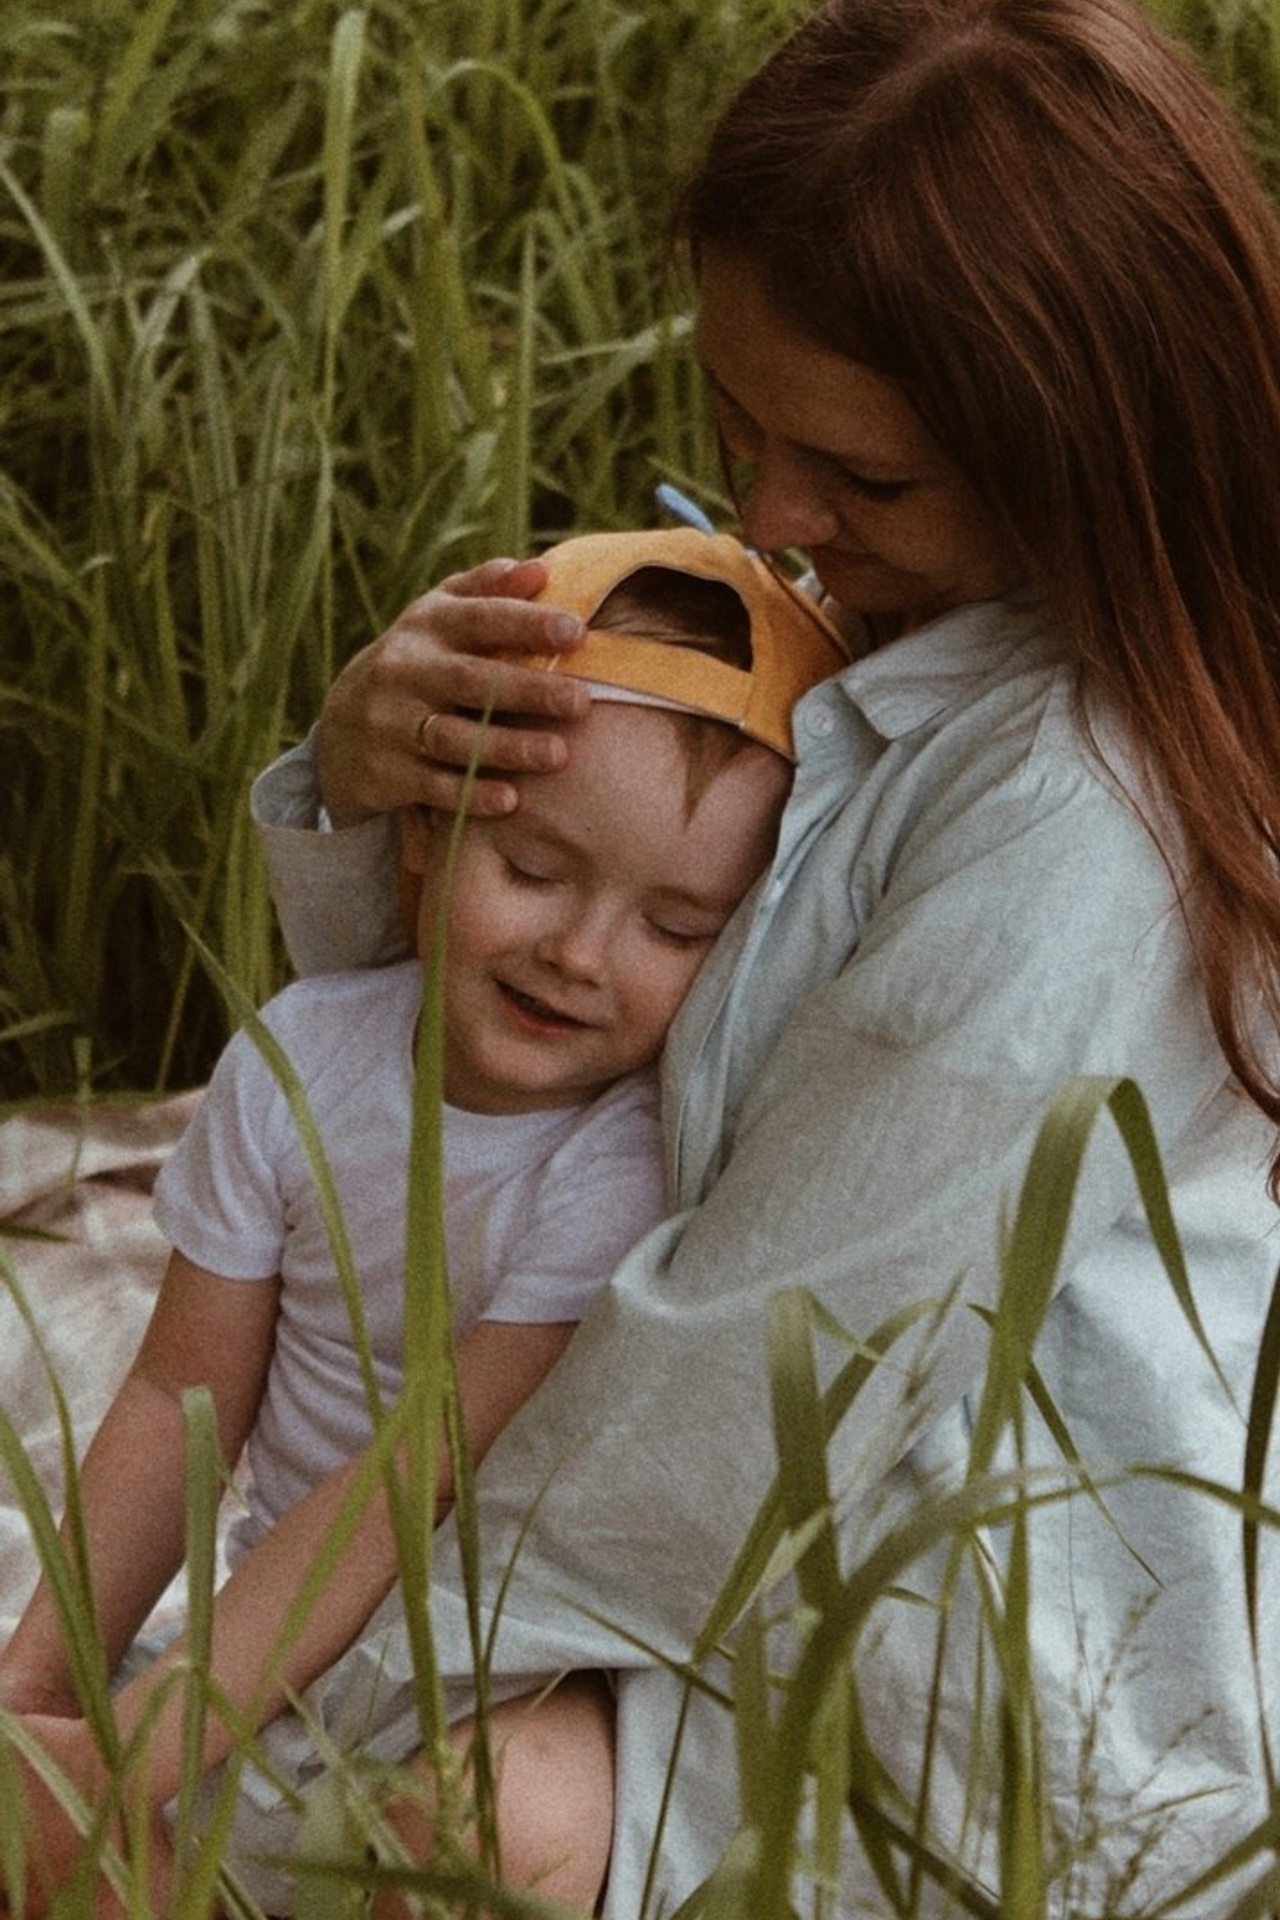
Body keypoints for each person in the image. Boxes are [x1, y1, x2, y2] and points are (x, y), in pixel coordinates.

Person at [226, 0, 1280, 1911]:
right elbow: (514, 1057)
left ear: (1081, 450)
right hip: (717, 1502)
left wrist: (256, 1733)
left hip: (950, 1635)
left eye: (863, 482)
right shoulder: (890, 628)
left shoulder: (1073, 818)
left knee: (403, 1846)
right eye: (739, 428)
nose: (772, 521)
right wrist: (383, 788)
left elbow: (747, 1370)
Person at [0, 529, 844, 1916]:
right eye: (536, 868)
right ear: (421, 834)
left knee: (498, 1838)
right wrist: (49, 1683)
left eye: (677, 926)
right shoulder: (297, 1063)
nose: (580, 953)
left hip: (506, 1662)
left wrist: (147, 1749)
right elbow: (175, 1390)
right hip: (261, 1635)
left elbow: (418, 1476)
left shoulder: (622, 1166)